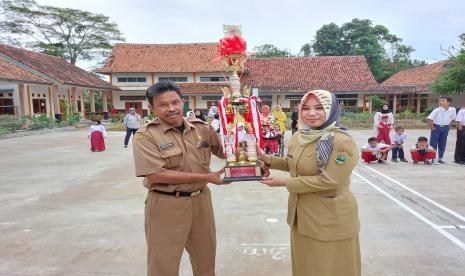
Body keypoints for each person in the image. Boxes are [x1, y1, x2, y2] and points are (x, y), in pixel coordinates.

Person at [258, 90, 361, 276]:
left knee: (331, 268)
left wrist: (284, 182)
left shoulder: (342, 143)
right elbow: (293, 164)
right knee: (306, 267)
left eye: (319, 108)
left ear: (331, 111)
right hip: (302, 216)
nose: (311, 113)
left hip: (330, 219)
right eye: (306, 108)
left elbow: (329, 180)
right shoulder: (300, 136)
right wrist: (267, 159)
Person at [132, 81, 227, 276]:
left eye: (175, 102)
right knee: (163, 266)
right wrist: (206, 176)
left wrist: (248, 143)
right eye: (163, 104)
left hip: (201, 201)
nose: (171, 108)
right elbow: (155, 174)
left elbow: (227, 152)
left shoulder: (202, 129)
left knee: (206, 260)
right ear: (151, 108)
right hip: (166, 204)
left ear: (182, 102)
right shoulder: (145, 136)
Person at [427, 96, 456, 163]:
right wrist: (432, 128)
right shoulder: (437, 110)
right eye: (440, 101)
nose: (441, 102)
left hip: (445, 127)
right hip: (436, 127)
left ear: (448, 102)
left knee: (443, 143)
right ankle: (431, 158)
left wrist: (449, 127)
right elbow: (429, 119)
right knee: (433, 143)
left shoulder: (453, 109)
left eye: (443, 100)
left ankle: (440, 158)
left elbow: (452, 119)